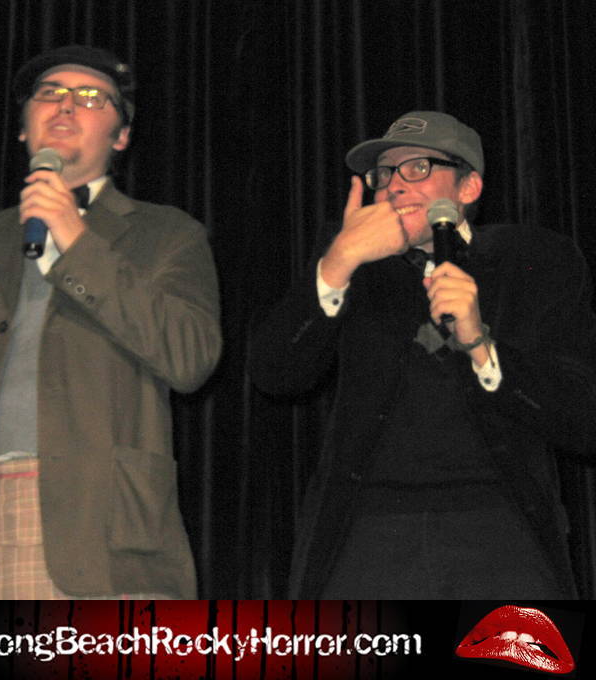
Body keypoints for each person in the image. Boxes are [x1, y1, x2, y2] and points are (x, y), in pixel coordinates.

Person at [0, 45, 221, 599]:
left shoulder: (168, 235)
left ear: (122, 137)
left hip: (104, 534)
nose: (66, 105)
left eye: (92, 97)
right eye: (49, 93)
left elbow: (190, 357)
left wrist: (76, 241)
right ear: (22, 128)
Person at [248, 111, 596, 598]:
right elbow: (274, 373)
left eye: (418, 168)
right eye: (384, 173)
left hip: (500, 528)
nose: (394, 184)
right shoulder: (356, 264)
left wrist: (481, 346)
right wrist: (337, 263)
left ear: (469, 187)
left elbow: (582, 418)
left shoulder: (533, 260)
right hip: (368, 533)